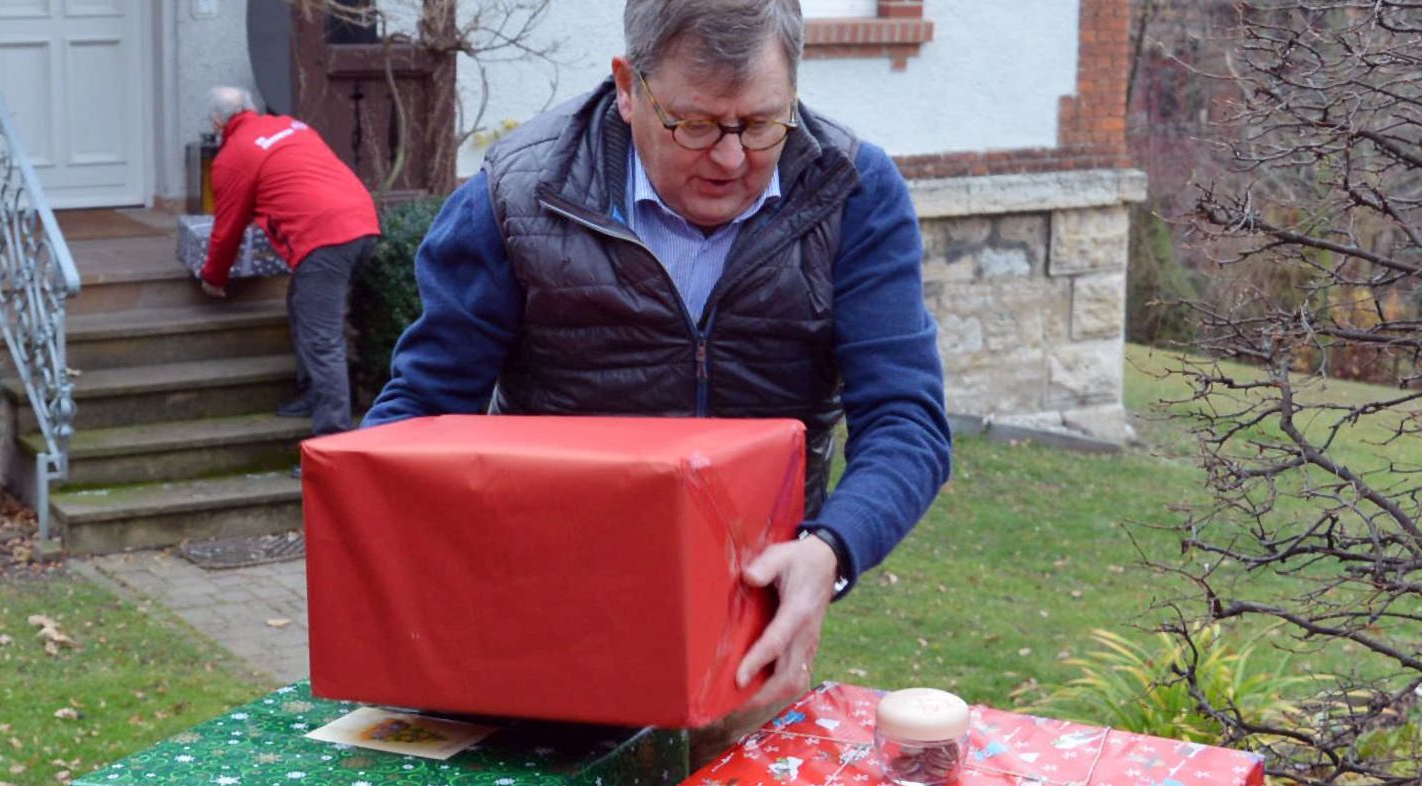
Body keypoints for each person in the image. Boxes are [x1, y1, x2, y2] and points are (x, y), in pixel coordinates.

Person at [361, 0, 951, 760]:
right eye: (696, 125)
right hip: (535, 628)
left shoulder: (850, 191)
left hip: (745, 638)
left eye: (762, 124)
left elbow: (907, 420)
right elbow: (422, 412)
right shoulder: (514, 193)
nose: (731, 158)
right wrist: (364, 530)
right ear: (627, 87)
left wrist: (830, 550)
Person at [199, 86, 380, 471]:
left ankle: (334, 446)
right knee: (302, 305)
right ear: (250, 107)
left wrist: (214, 277)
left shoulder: (234, 155)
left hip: (324, 239)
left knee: (322, 338)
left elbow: (227, 227)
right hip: (362, 223)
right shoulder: (292, 126)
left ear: (218, 123)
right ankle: (310, 394)